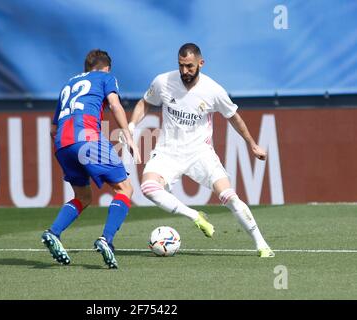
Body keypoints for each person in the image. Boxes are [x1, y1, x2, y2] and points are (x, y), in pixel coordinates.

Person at [129, 43, 274, 258]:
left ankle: (261, 244)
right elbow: (145, 102)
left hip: (200, 153)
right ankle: (195, 216)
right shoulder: (163, 82)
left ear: (201, 63)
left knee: (229, 196)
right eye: (181, 66)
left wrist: (252, 144)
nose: (185, 71)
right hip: (168, 151)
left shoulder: (213, 90)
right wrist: (131, 126)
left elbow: (234, 117)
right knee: (148, 188)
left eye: (189, 66)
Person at [42, 49, 141, 269]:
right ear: (106, 67)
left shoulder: (67, 84)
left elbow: (52, 129)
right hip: (86, 138)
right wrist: (129, 138)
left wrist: (65, 150)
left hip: (62, 143)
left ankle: (53, 233)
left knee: (83, 196)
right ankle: (106, 239)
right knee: (125, 189)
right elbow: (115, 105)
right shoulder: (106, 77)